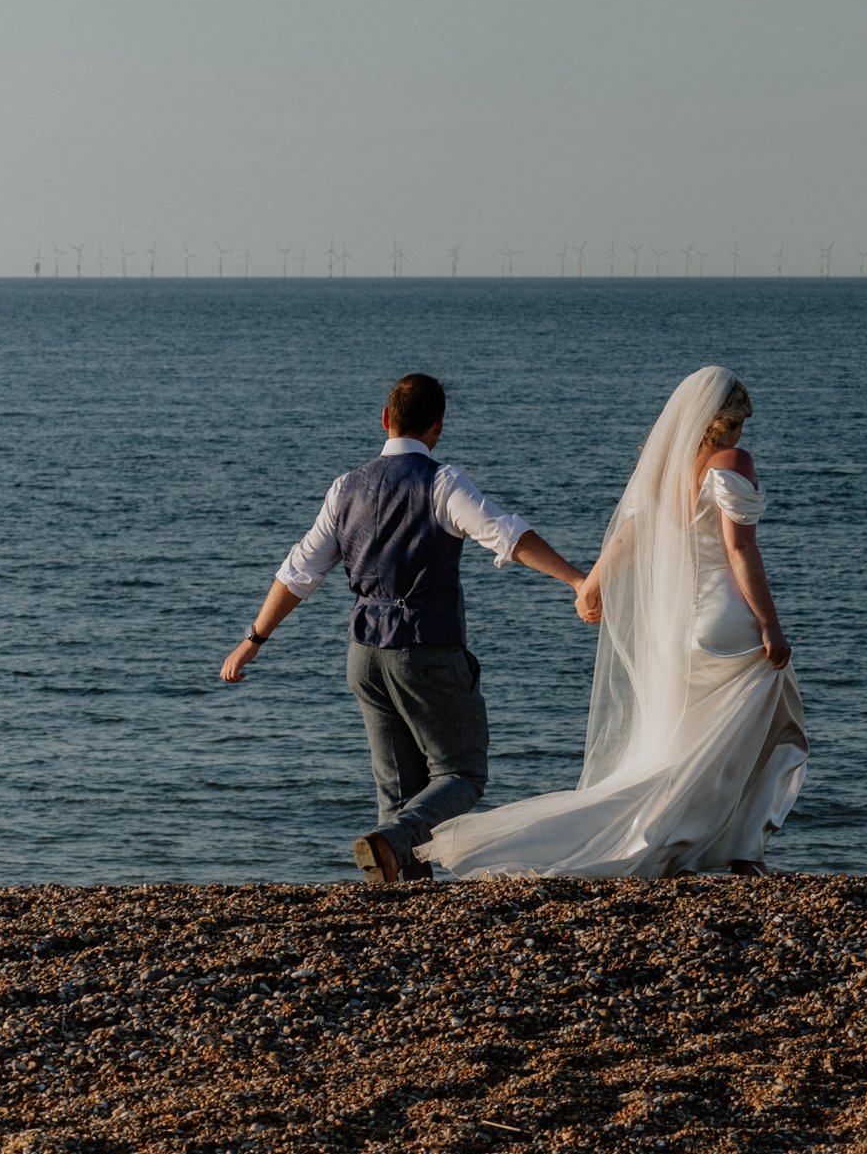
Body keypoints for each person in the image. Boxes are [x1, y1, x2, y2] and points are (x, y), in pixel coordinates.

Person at [418, 365, 806, 878]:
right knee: (776, 733)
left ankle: (679, 844)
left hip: (679, 629)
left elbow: (629, 535)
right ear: (727, 422)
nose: (741, 434)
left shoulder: (664, 466)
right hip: (727, 618)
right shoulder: (733, 461)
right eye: (740, 423)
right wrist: (770, 625)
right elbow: (739, 549)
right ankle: (741, 851)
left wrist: (591, 586)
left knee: (683, 747)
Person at [218, 372, 589, 883]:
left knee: (397, 786)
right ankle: (390, 842)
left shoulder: (345, 487)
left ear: (385, 420)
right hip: (425, 649)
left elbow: (299, 570)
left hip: (364, 654)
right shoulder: (442, 482)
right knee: (461, 774)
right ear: (437, 426)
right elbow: (507, 535)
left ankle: (399, 892)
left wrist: (253, 639)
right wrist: (576, 579)